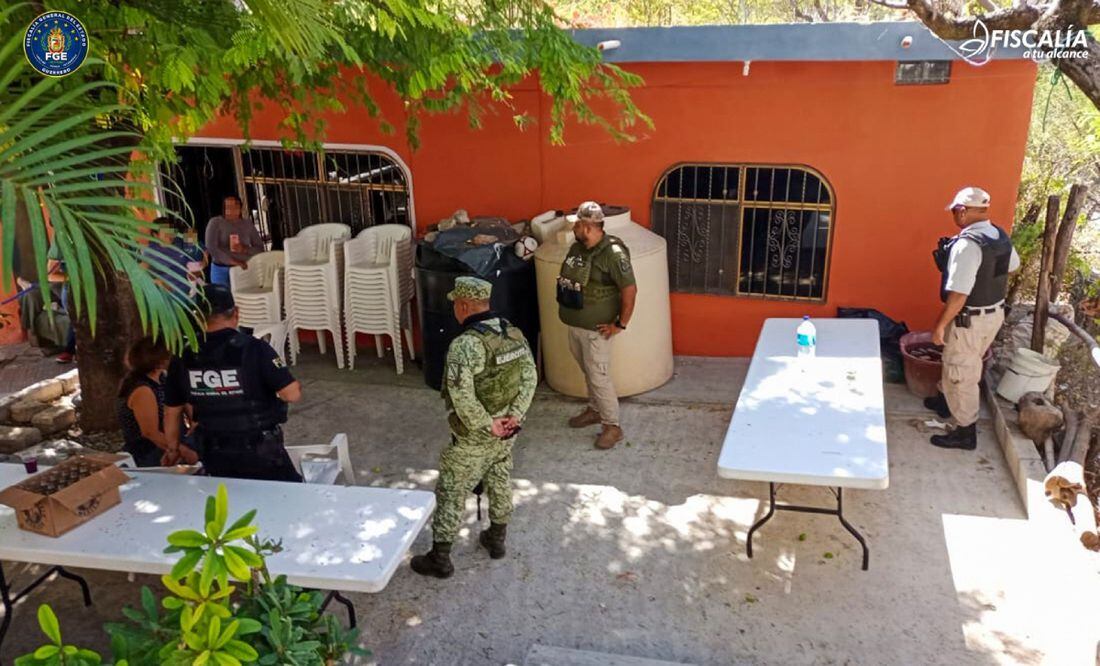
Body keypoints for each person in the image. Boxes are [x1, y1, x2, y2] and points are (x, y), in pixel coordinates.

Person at [410, 277, 537, 579]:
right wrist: (514, 416)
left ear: (464, 305)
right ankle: (497, 539)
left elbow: (461, 395)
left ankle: (440, 558)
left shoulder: (464, 345)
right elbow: (530, 378)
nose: (454, 308)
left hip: (474, 436)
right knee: (500, 477)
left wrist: (487, 424)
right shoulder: (514, 333)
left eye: (455, 303)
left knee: (452, 490)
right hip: (508, 430)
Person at [162, 284, 303, 480]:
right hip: (260, 451)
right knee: (289, 499)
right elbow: (292, 394)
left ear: (198, 317)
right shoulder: (255, 348)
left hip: (214, 453)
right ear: (236, 313)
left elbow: (172, 411)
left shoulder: (184, 356)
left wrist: (173, 449)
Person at [926, 187, 1020, 450]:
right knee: (961, 360)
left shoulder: (967, 245)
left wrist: (940, 325)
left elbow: (958, 294)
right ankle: (946, 401)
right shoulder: (998, 236)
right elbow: (1012, 267)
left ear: (963, 211)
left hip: (970, 318)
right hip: (993, 313)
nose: (954, 216)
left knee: (962, 371)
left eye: (955, 211)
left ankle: (964, 431)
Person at [556, 201, 637, 450]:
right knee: (589, 371)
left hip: (597, 331)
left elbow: (630, 290)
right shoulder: (579, 247)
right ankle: (594, 410)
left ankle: (612, 426)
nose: (574, 229)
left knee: (599, 376)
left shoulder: (613, 254)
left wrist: (620, 325)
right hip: (576, 324)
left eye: (577, 225)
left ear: (588, 226)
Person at [117, 337, 182, 467]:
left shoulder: (162, 378)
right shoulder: (143, 389)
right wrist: (181, 451)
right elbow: (150, 433)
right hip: (148, 451)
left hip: (166, 442)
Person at [205, 194, 263, 287]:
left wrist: (244, 249)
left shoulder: (247, 224)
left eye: (235, 206)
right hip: (222, 270)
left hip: (243, 269)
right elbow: (211, 248)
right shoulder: (215, 222)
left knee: (243, 297)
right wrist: (234, 262)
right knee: (223, 298)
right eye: (228, 207)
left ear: (240, 208)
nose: (231, 210)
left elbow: (260, 249)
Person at [144, 217, 206, 299]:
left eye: (172, 232)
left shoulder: (180, 240)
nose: (170, 236)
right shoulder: (150, 251)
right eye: (166, 234)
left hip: (193, 288)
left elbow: (202, 250)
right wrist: (155, 282)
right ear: (156, 235)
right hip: (171, 295)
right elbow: (142, 270)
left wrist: (203, 264)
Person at [45, 242, 77, 364]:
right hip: (72, 291)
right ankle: (70, 351)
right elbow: (51, 275)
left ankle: (70, 351)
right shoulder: (61, 240)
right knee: (77, 321)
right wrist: (75, 277)